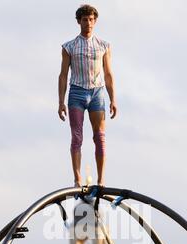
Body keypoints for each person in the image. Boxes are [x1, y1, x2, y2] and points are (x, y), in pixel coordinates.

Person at [58, 4, 117, 188]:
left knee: (99, 137)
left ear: (95, 21)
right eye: (85, 20)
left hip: (97, 92)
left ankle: (100, 180)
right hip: (76, 92)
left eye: (91, 20)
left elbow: (108, 74)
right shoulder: (69, 47)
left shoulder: (103, 46)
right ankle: (77, 179)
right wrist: (61, 102)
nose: (88, 23)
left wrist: (113, 98)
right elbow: (63, 75)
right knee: (77, 137)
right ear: (79, 22)